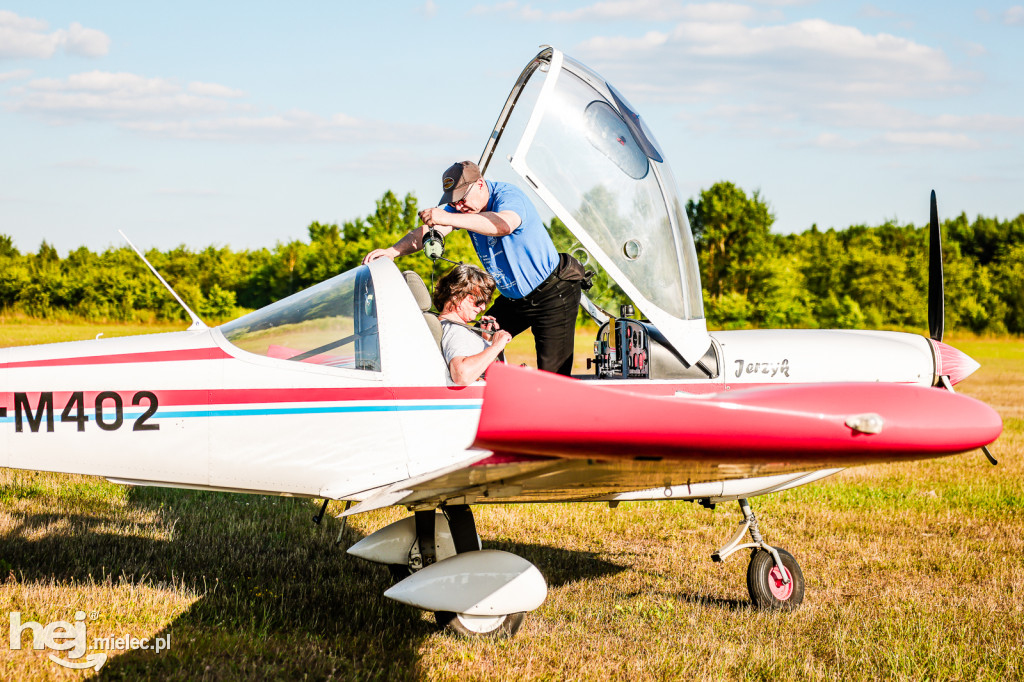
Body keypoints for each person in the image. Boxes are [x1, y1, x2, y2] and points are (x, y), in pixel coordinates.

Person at [363, 160, 586, 376]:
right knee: (473, 340)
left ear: (480, 184)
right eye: (453, 202)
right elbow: (429, 232)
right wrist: (393, 251)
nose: (459, 206)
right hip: (514, 300)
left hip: (553, 294)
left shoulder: (508, 196)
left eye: (462, 199)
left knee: (553, 375)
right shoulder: (461, 210)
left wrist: (450, 217)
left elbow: (503, 224)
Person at [432, 264, 512, 385]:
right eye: (479, 300)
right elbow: (462, 375)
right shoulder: (456, 330)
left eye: (485, 302)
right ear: (456, 294)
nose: (483, 307)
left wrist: (484, 341)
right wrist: (496, 346)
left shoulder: (449, 327)